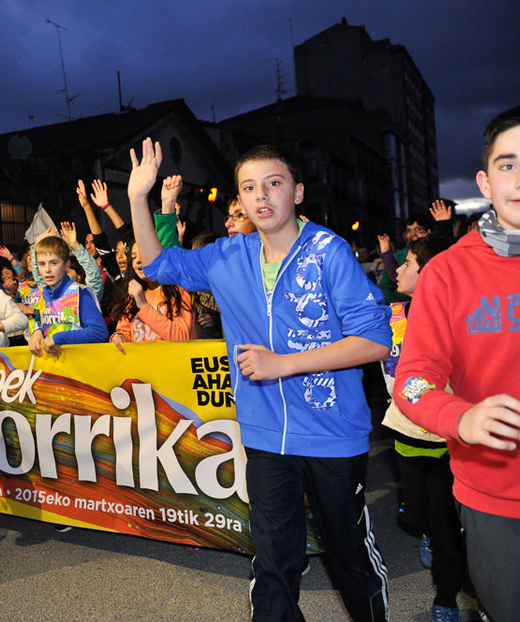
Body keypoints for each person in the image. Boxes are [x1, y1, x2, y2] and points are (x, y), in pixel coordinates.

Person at [128, 138, 391, 622]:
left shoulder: (327, 251)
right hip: (266, 439)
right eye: (249, 188)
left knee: (349, 559)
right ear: (241, 200)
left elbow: (375, 339)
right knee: (272, 564)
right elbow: (158, 264)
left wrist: (282, 363)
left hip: (333, 437)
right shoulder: (228, 256)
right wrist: (138, 198)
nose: (262, 196)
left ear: (297, 192)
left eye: (274, 183)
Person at [394, 103, 520, 621]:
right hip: (494, 503)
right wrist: (461, 417)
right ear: (485, 180)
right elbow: (410, 384)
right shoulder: (448, 273)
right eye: (507, 164)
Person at [379, 235, 463, 622]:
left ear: (431, 272)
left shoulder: (459, 315)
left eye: (408, 262)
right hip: (406, 440)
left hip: (449, 446)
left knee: (446, 530)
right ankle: (423, 525)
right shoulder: (393, 315)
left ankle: (446, 599)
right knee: (414, 518)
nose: (398, 268)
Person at [28, 235, 108, 358]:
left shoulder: (79, 292)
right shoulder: (43, 292)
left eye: (53, 263)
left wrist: (58, 338)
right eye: (42, 264)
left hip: (81, 368)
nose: (47, 269)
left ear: (67, 265)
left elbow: (99, 333)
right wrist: (39, 332)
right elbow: (50, 326)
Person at [109, 242, 195, 348]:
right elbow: (125, 332)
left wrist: (144, 306)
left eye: (143, 255)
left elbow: (182, 337)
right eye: (134, 257)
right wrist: (119, 337)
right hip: (143, 363)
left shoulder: (179, 291)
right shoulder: (133, 295)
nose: (138, 261)